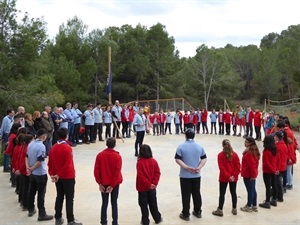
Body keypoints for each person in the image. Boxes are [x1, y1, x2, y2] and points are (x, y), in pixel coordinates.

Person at [48, 128, 83, 225]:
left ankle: (58, 217)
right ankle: (70, 220)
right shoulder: (67, 148)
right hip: (67, 176)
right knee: (69, 198)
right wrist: (58, 174)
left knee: (59, 196)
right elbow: (67, 164)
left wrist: (53, 175)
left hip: (57, 177)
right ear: (66, 136)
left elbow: (50, 163)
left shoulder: (53, 147)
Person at [175, 128, 207, 221]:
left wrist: (186, 167)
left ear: (185, 135)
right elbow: (204, 158)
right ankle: (198, 211)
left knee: (186, 194)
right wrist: (199, 167)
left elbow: (177, 159)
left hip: (185, 175)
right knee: (196, 193)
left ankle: (185, 214)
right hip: (196, 175)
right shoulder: (199, 146)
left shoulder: (181, 146)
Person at [94, 138, 123, 225]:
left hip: (104, 182)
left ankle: (103, 222)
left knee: (104, 203)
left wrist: (99, 183)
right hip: (114, 183)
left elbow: (96, 171)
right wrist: (113, 185)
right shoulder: (117, 156)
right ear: (114, 145)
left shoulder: (100, 155)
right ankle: (115, 222)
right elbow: (117, 172)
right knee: (114, 203)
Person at [26, 128, 53, 221]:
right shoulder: (41, 146)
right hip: (40, 173)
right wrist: (32, 168)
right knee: (41, 193)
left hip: (32, 173)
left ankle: (30, 208)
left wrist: (28, 168)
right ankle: (42, 213)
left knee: (32, 191)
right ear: (43, 136)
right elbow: (40, 161)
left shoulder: (31, 144)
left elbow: (26, 157)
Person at [212, 139, 240, 217]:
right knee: (233, 192)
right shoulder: (235, 154)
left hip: (224, 177)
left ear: (222, 145)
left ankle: (220, 209)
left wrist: (228, 176)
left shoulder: (220, 155)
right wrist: (233, 176)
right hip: (234, 178)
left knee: (222, 193)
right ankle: (234, 208)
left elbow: (222, 168)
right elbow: (238, 166)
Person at [136, 144, 162, 225]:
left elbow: (141, 176)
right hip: (152, 188)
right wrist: (154, 183)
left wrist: (148, 184)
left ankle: (145, 221)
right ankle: (157, 218)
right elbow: (157, 173)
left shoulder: (140, 162)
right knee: (153, 203)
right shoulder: (154, 161)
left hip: (142, 188)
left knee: (143, 206)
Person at [240, 137, 260, 212]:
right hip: (251, 174)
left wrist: (253, 175)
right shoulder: (254, 150)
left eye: (246, 142)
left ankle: (249, 206)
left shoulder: (249, 153)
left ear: (250, 143)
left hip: (248, 174)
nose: (244, 143)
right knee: (253, 190)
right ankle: (254, 205)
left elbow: (252, 165)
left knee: (250, 190)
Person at [259, 135, 278, 209]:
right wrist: (275, 169)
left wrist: (272, 170)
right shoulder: (275, 150)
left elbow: (266, 163)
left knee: (268, 187)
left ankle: (267, 202)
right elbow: (275, 161)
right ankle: (274, 200)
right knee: (274, 185)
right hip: (273, 170)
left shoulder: (266, 151)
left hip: (267, 171)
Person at [274, 131, 288, 202]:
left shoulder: (277, 146)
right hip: (283, 166)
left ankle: (279, 197)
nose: (274, 137)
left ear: (277, 137)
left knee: (278, 183)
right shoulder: (284, 145)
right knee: (279, 182)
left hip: (278, 167)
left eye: (275, 136)